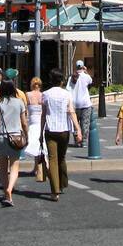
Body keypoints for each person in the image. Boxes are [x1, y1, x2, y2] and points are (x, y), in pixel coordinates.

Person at [40, 68, 80, 201]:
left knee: (52, 159)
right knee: (61, 157)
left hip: (50, 129)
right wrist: (78, 129)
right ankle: (62, 183)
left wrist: (40, 132)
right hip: (64, 130)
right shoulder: (67, 94)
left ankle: (55, 190)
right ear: (62, 80)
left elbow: (43, 115)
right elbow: (71, 112)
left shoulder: (45, 94)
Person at [0, 80, 28, 207]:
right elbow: (24, 122)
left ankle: (5, 192)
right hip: (15, 137)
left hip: (1, 137)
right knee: (14, 166)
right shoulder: (19, 102)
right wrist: (27, 134)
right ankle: (10, 188)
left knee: (2, 168)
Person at [25, 76, 45, 180]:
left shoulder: (28, 95)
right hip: (41, 122)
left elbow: (26, 110)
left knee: (34, 144)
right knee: (39, 145)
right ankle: (37, 167)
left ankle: (36, 167)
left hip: (32, 122)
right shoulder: (43, 95)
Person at [70, 60, 93, 147]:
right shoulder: (86, 77)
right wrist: (86, 71)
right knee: (85, 124)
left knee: (75, 123)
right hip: (85, 104)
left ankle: (77, 140)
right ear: (83, 66)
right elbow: (91, 81)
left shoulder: (72, 77)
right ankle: (83, 141)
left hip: (74, 104)